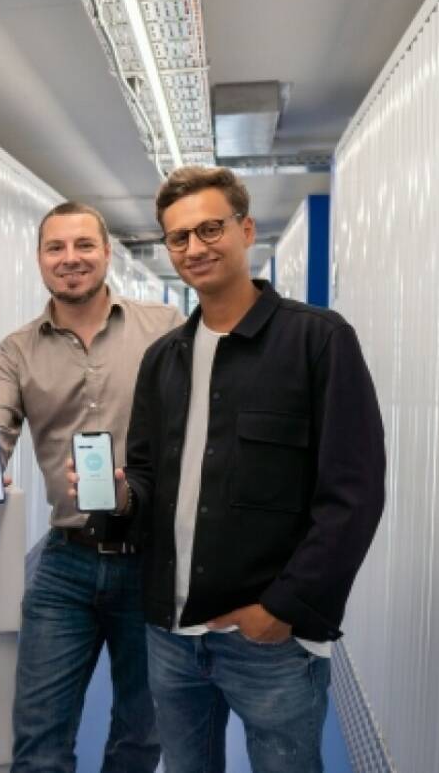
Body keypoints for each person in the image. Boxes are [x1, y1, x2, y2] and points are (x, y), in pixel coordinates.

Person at [117, 166, 385, 772]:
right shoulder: (164, 360)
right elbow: (145, 478)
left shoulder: (318, 341)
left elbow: (354, 493)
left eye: (209, 229)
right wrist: (119, 497)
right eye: (178, 238)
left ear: (245, 229)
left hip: (267, 640)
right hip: (170, 635)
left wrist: (283, 610)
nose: (194, 248)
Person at [0, 201, 178, 772]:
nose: (70, 259)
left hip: (152, 561)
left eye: (83, 246)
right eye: (56, 248)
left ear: (107, 252)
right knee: (38, 740)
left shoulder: (166, 329)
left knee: (140, 735)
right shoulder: (17, 351)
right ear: (39, 259)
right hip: (65, 566)